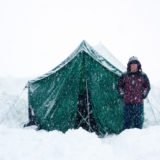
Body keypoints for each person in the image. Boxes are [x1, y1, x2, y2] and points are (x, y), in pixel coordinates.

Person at [118, 56, 150, 130]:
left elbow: (147, 86)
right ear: (129, 65)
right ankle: (126, 139)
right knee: (127, 122)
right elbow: (119, 86)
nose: (133, 66)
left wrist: (144, 94)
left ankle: (138, 140)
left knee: (138, 122)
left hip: (138, 103)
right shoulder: (124, 75)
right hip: (127, 102)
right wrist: (122, 94)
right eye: (131, 64)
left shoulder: (143, 75)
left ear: (138, 65)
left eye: (135, 64)